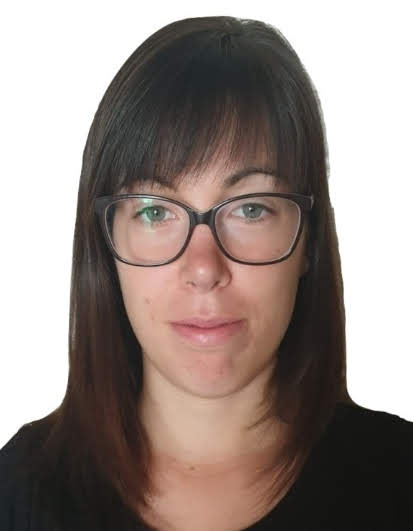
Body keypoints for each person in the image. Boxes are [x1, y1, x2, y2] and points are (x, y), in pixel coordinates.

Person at [1, 15, 412, 531]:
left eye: (250, 209)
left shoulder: (398, 483)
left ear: (308, 239)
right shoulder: (19, 491)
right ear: (105, 242)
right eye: (155, 211)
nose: (203, 268)